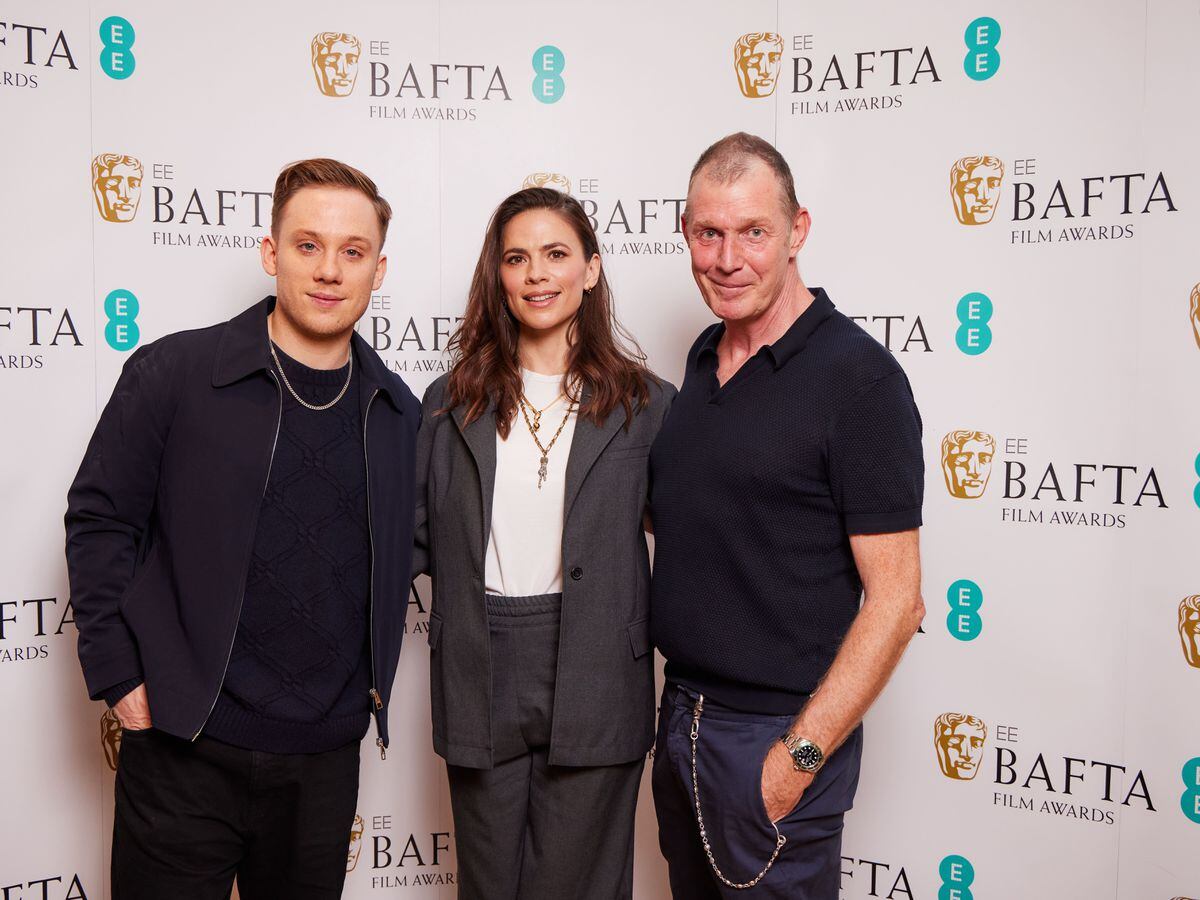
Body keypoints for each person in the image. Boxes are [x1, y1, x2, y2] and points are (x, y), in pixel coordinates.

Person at [65, 158, 419, 899]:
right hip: (183, 747)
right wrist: (118, 674)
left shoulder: (397, 413)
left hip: (322, 762)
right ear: (271, 252)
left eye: (352, 252)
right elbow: (101, 520)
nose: (329, 270)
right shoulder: (176, 372)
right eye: (307, 245)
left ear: (378, 270)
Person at [649, 132, 925, 898]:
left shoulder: (858, 380)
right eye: (709, 233)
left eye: (753, 232)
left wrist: (793, 763)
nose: (728, 258)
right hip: (681, 724)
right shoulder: (704, 358)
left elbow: (897, 602)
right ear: (686, 234)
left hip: (771, 737)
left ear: (798, 230)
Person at [412, 186, 675, 899]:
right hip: (479, 665)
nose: (536, 274)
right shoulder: (447, 406)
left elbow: (693, 547)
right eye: (517, 258)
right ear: (497, 274)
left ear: (590, 268)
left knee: (580, 886)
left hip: (597, 669)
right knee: (490, 886)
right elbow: (403, 542)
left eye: (556, 254)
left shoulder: (648, 407)